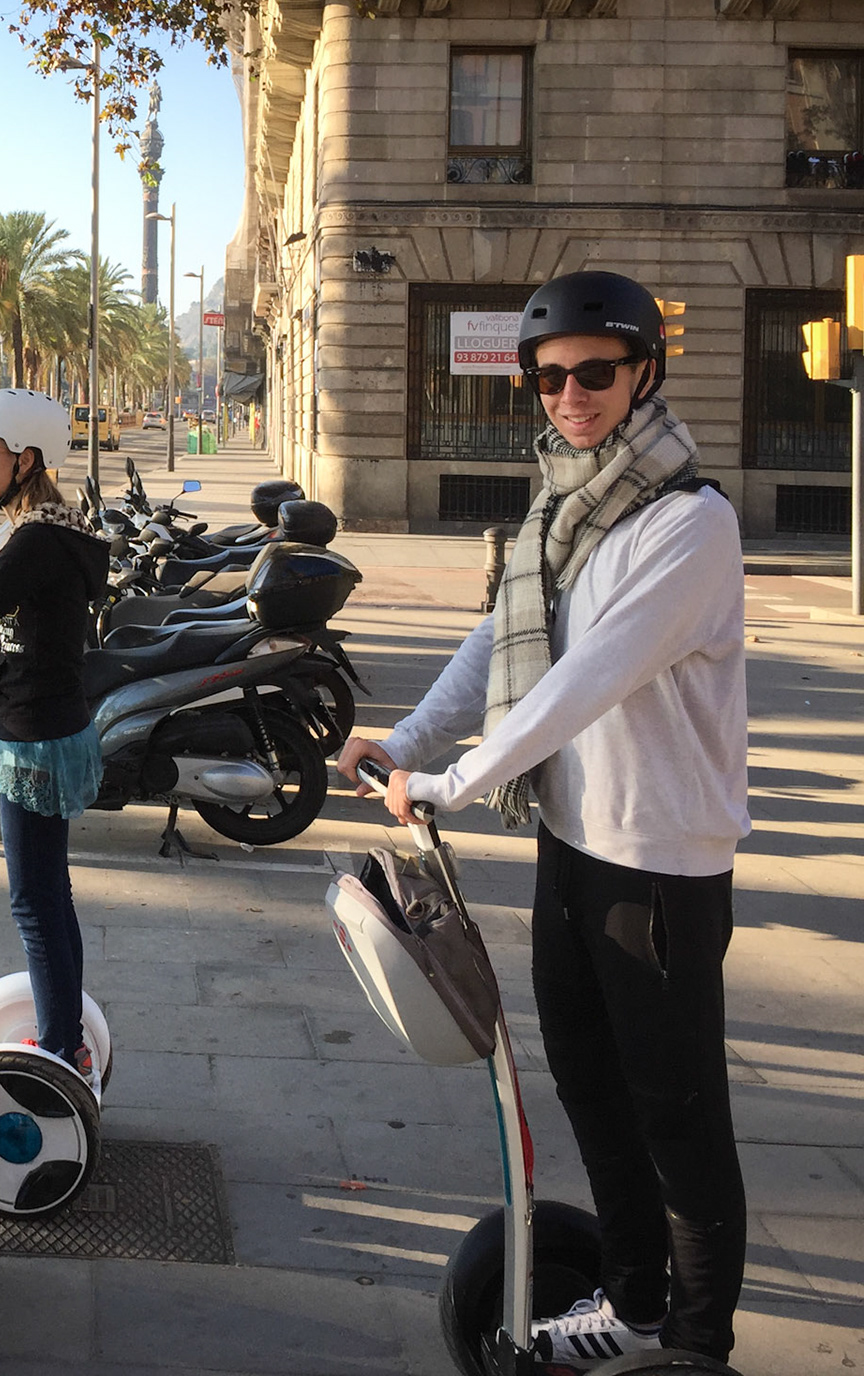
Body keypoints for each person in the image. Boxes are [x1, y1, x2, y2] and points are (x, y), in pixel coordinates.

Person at [336, 270, 748, 1368]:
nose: (572, 395)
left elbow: (586, 680)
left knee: (678, 1115)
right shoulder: (563, 502)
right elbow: (500, 642)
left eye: (597, 373)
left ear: (644, 374)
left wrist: (449, 787)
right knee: (586, 1082)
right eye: (552, 377)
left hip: (658, 865)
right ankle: (634, 1300)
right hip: (573, 843)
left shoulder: (688, 521)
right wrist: (410, 741)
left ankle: (700, 1343)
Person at [0, 389, 110, 1089]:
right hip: (40, 724)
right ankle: (65, 1032)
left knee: (33, 902)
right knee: (48, 893)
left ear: (26, 457)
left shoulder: (38, 539)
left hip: (36, 736)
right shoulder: (31, 526)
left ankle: (62, 1048)